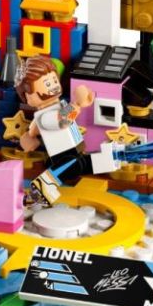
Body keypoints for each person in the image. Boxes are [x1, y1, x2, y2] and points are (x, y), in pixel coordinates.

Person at [15, 56, 118, 204]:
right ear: (28, 96)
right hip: (63, 155)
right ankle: (36, 195)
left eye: (54, 81)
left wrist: (81, 102)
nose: (53, 86)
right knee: (64, 170)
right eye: (47, 83)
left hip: (76, 151)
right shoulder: (44, 116)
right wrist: (77, 104)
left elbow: (61, 116)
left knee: (88, 163)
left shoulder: (60, 106)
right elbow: (63, 121)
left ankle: (115, 158)